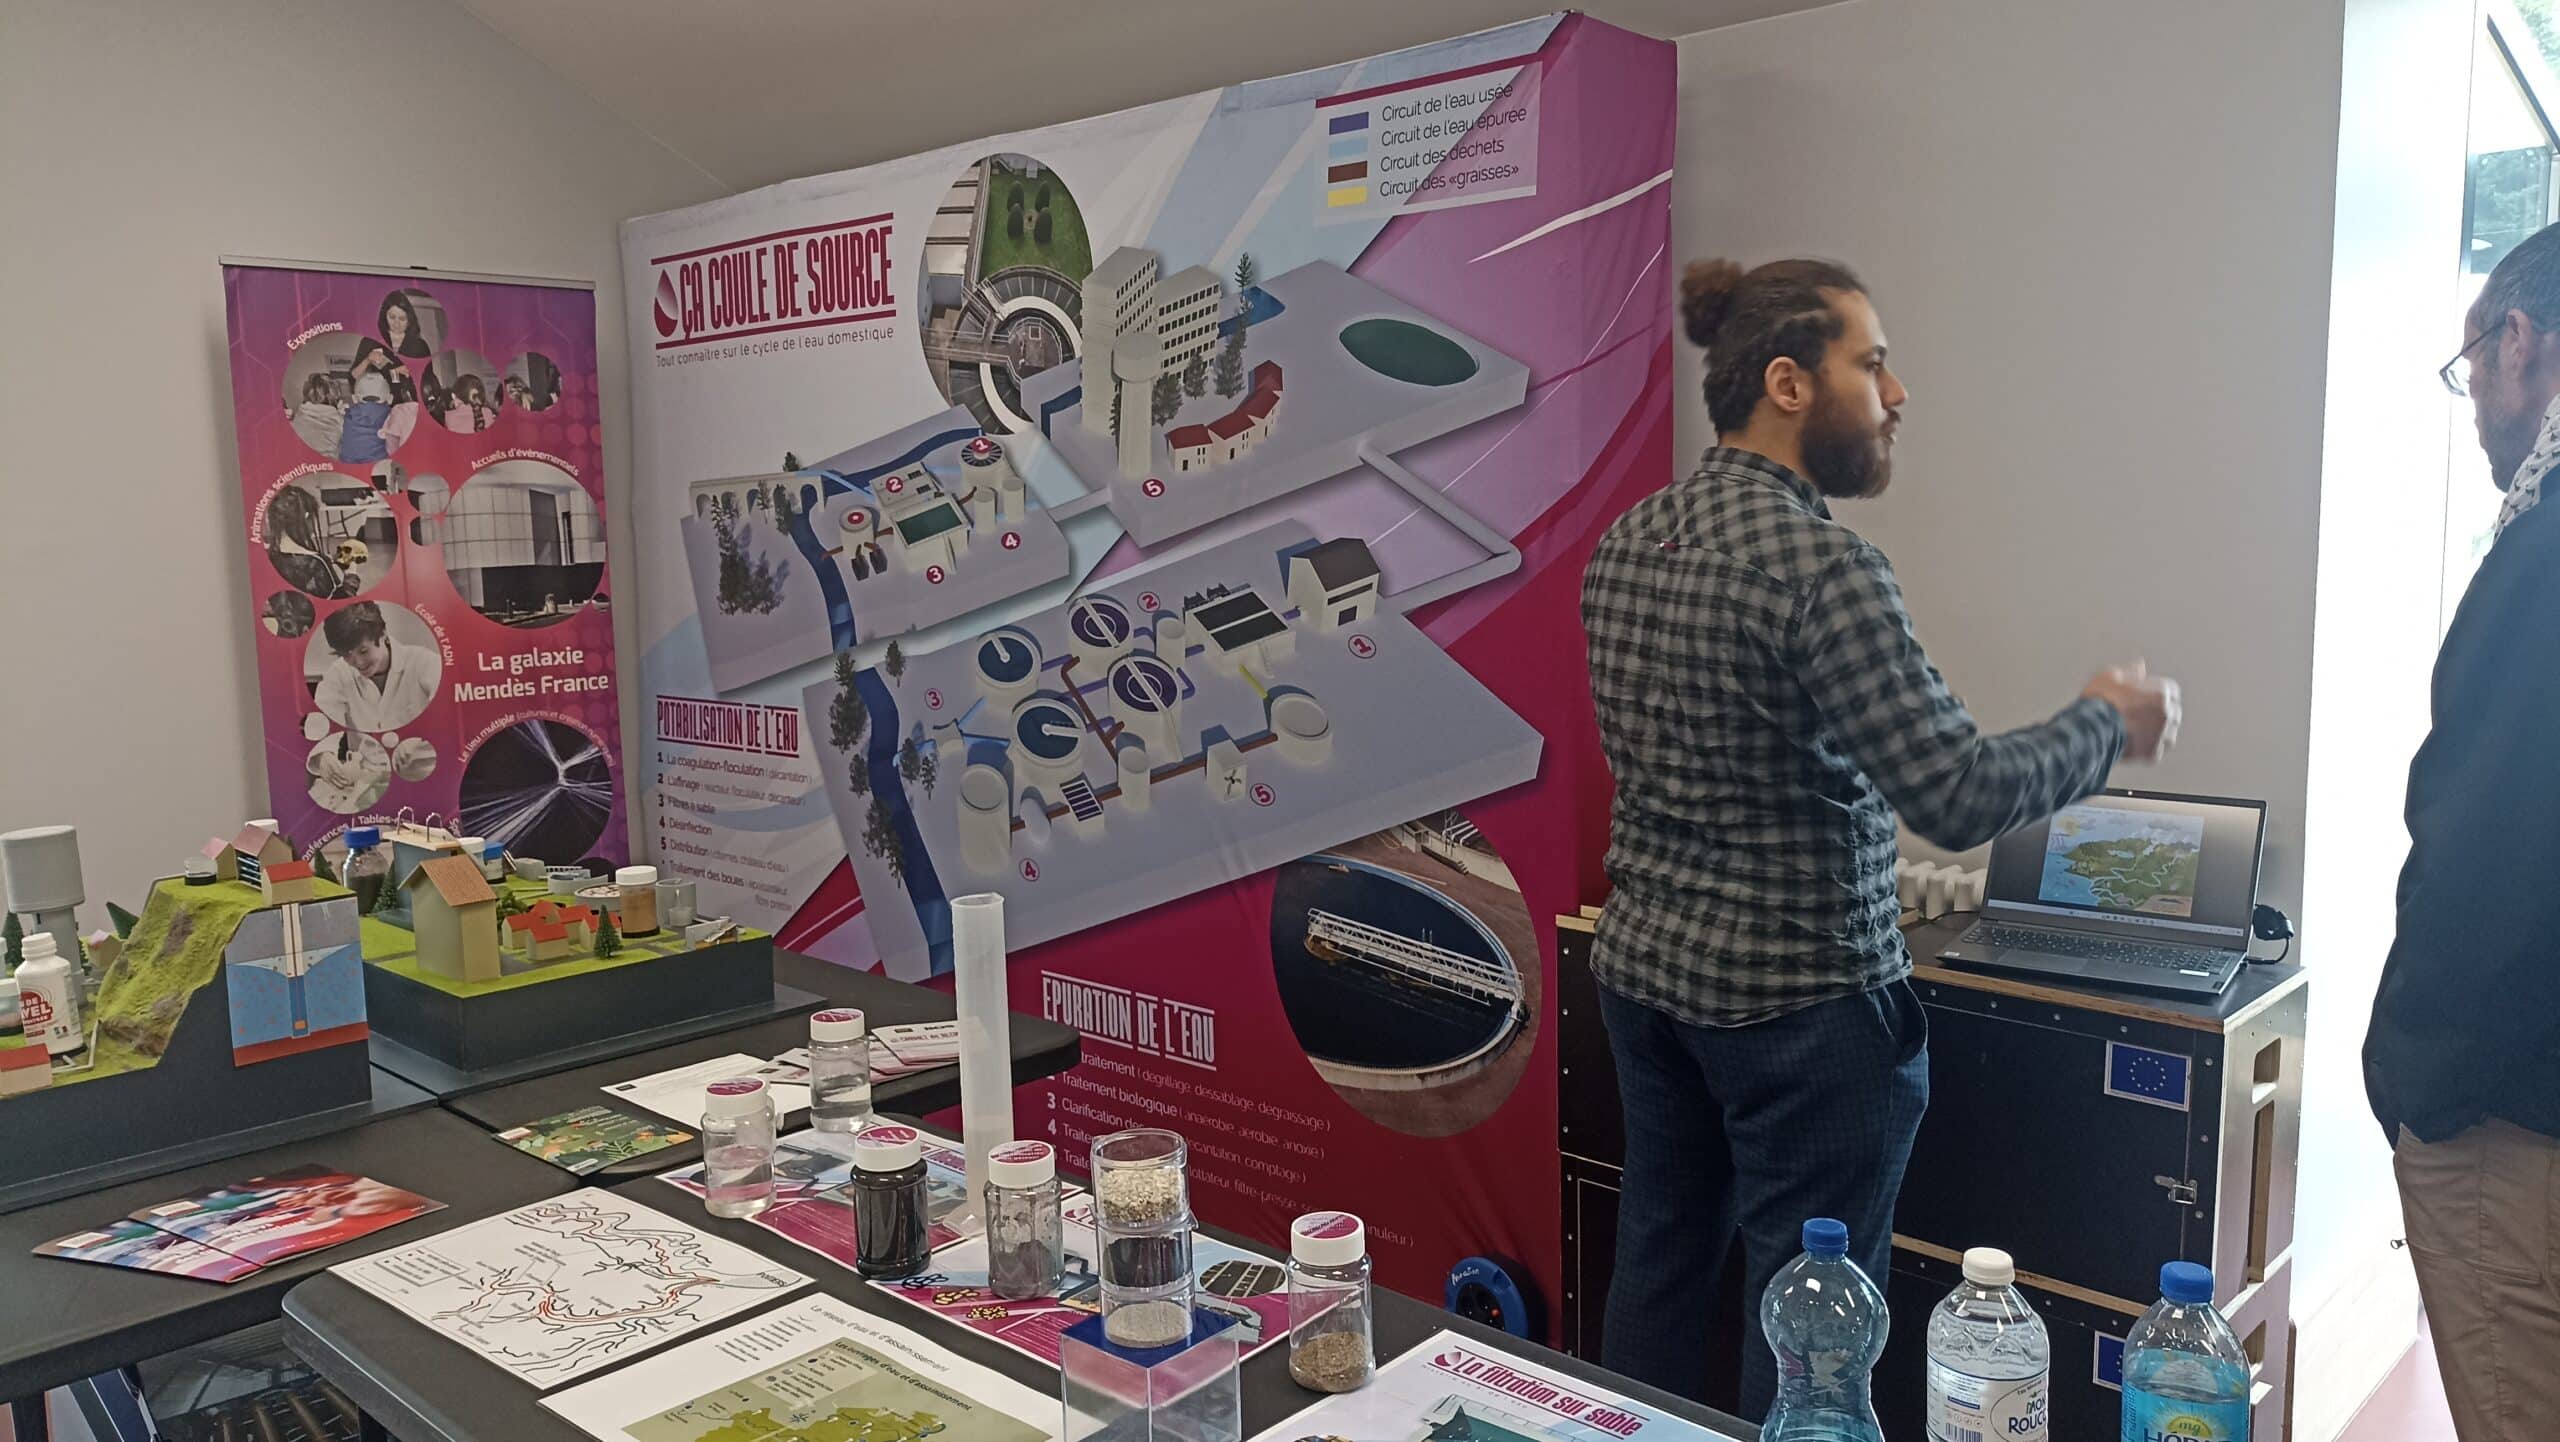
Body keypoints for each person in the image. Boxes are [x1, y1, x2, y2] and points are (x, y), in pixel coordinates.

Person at [1579, 257, 2181, 1417]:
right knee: (1809, 1320)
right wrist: (2106, 720)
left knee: (1657, 1260)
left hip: (1647, 985)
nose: (1897, 393)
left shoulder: (1628, 541)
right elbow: (1955, 791)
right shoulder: (1823, 570)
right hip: (1800, 1015)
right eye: (1872, 363)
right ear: (1788, 383)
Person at [2366, 222, 2560, 1441]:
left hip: (2505, 1110)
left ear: (2518, 340)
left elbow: (2488, 851)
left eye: (2471, 364)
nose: (2476, 399)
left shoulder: (2541, 556)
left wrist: (2409, 1080)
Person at [312, 601, 438, 732]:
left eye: (363, 651)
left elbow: (447, 715)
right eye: (346, 654)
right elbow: (319, 727)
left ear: (383, 634)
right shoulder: (338, 673)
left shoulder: (424, 662)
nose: (358, 662)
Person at [378, 290, 432, 358]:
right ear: (384, 316)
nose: (397, 324)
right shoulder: (376, 340)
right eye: (392, 317)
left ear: (409, 320)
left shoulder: (420, 346)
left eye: (402, 319)